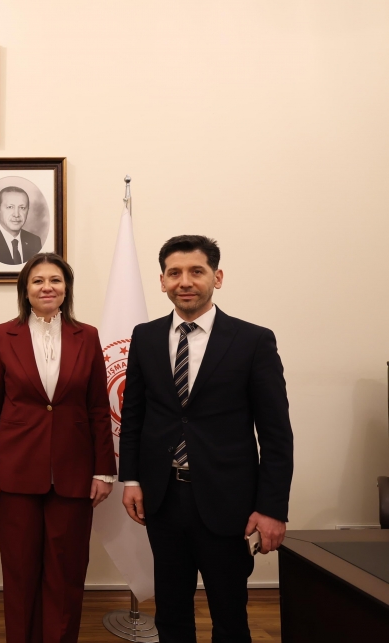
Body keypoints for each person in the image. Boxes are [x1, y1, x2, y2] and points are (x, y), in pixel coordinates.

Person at [119, 235, 293, 643]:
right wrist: (132, 479)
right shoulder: (145, 337)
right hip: (163, 498)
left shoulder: (253, 341)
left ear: (217, 277)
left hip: (228, 501)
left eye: (196, 271)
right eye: (174, 273)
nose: (185, 281)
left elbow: (276, 433)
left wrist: (272, 508)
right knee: (171, 614)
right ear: (162, 281)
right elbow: (135, 415)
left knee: (230, 618)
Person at [0, 252, 117, 643]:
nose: (47, 287)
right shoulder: (2, 335)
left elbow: (97, 407)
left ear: (66, 288)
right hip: (14, 470)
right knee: (20, 571)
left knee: (66, 571)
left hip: (74, 471)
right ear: (25, 289)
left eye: (55, 280)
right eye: (38, 280)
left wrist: (104, 469)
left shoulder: (87, 335)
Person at [0, 186, 43, 265]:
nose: (16, 214)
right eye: (10, 207)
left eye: (22, 208)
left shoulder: (35, 241)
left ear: (27, 211)